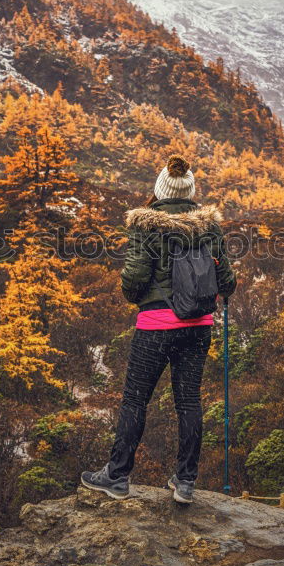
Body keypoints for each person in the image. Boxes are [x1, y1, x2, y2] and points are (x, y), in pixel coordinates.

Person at [81, 155, 237, 503]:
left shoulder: (145, 226)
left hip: (156, 326)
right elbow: (227, 283)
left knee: (136, 399)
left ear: (160, 190)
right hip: (198, 327)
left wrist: (134, 291)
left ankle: (117, 477)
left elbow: (133, 283)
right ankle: (185, 483)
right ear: (190, 190)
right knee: (189, 401)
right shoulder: (210, 228)